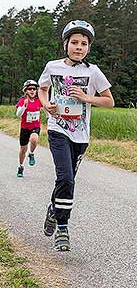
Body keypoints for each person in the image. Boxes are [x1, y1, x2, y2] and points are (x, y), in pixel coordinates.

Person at [38, 20, 114, 251]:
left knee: (67, 180)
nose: (78, 47)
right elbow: (42, 89)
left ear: (88, 48)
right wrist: (45, 105)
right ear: (65, 45)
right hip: (57, 129)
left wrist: (86, 98)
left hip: (81, 136)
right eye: (74, 42)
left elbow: (109, 101)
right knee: (66, 179)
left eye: (83, 43)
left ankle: (53, 209)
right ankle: (63, 227)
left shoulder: (93, 71)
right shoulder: (52, 67)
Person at [16, 80, 42, 177]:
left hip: (35, 127)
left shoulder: (39, 101)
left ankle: (31, 153)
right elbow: (18, 114)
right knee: (23, 149)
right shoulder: (23, 101)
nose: (32, 91)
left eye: (34, 89)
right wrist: (24, 107)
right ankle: (21, 166)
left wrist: (49, 115)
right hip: (24, 128)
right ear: (26, 90)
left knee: (34, 139)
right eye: (29, 89)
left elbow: (46, 108)